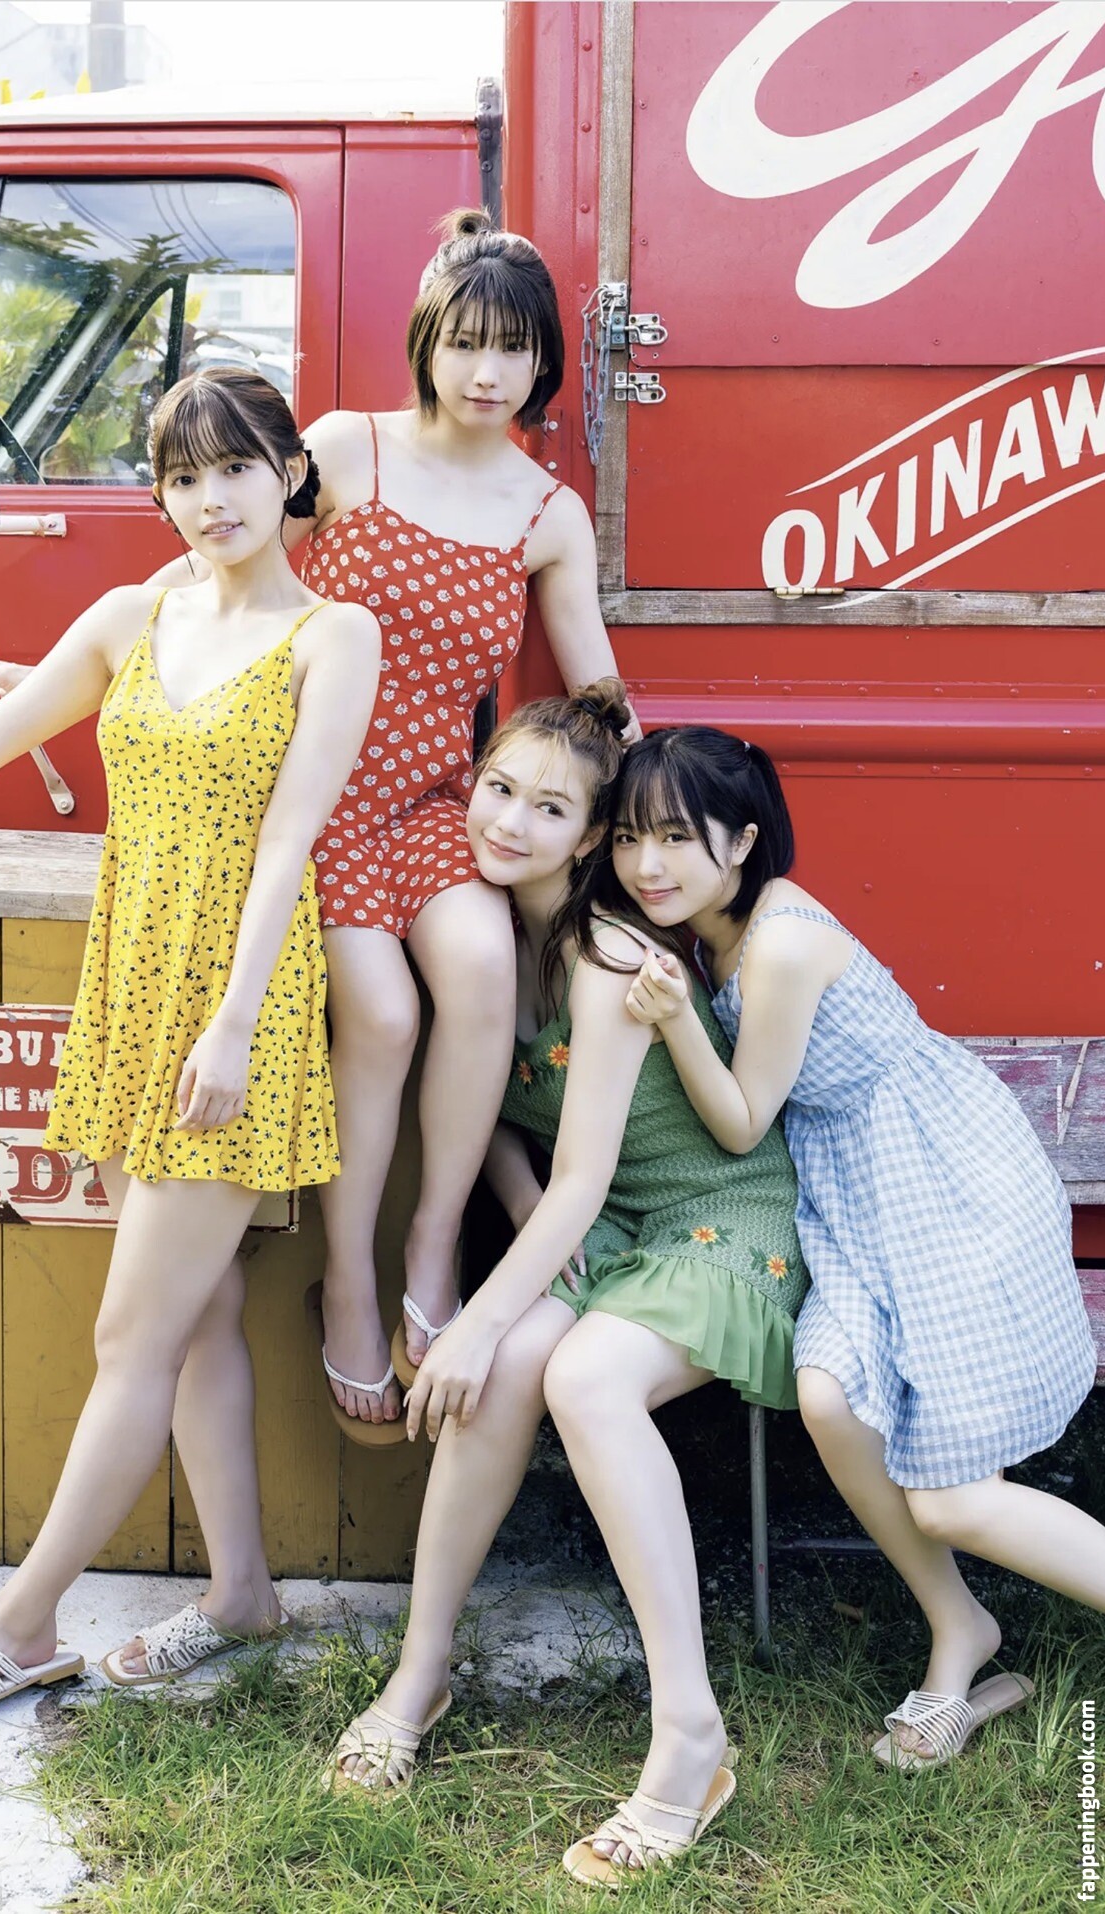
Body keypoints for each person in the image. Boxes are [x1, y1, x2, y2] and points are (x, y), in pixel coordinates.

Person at [0, 211, 635, 1444]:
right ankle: (349, 1285)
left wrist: (665, 804)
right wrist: (68, 672)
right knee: (382, 1013)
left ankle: (431, 1247)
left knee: (483, 967)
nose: (485, 372)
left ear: (544, 361)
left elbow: (593, 683)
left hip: (432, 800)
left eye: (512, 349)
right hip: (304, 792)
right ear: (426, 343)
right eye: (464, 343)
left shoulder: (548, 513)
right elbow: (212, 568)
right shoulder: (346, 447)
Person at [0, 366, 380, 1723]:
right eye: (183, 476)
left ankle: (21, 1622)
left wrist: (236, 1024)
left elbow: (288, 843)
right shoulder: (133, 615)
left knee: (129, 1331)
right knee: (193, 1318)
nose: (211, 498)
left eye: (237, 467)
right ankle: (241, 1593)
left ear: (290, 474)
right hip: (133, 992)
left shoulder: (332, 637)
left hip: (233, 1003)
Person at [323, 685, 807, 1884]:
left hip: (717, 1224)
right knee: (500, 1379)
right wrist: (517, 1219)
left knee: (575, 1377)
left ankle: (689, 1736)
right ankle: (418, 1676)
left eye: (550, 810)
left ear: (590, 836)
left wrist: (477, 1317)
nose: (509, 824)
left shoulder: (609, 960)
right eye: (497, 791)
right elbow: (491, 1110)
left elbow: (584, 1173)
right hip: (606, 1232)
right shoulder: (483, 938)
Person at [606, 724, 1105, 1769]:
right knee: (830, 1398)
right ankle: (959, 1624)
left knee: (949, 1494)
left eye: (674, 837)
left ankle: (966, 1630)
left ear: (743, 840)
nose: (646, 863)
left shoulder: (779, 943)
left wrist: (674, 1021)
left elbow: (742, 1121)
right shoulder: (707, 928)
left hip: (945, 1188)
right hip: (853, 1200)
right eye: (626, 837)